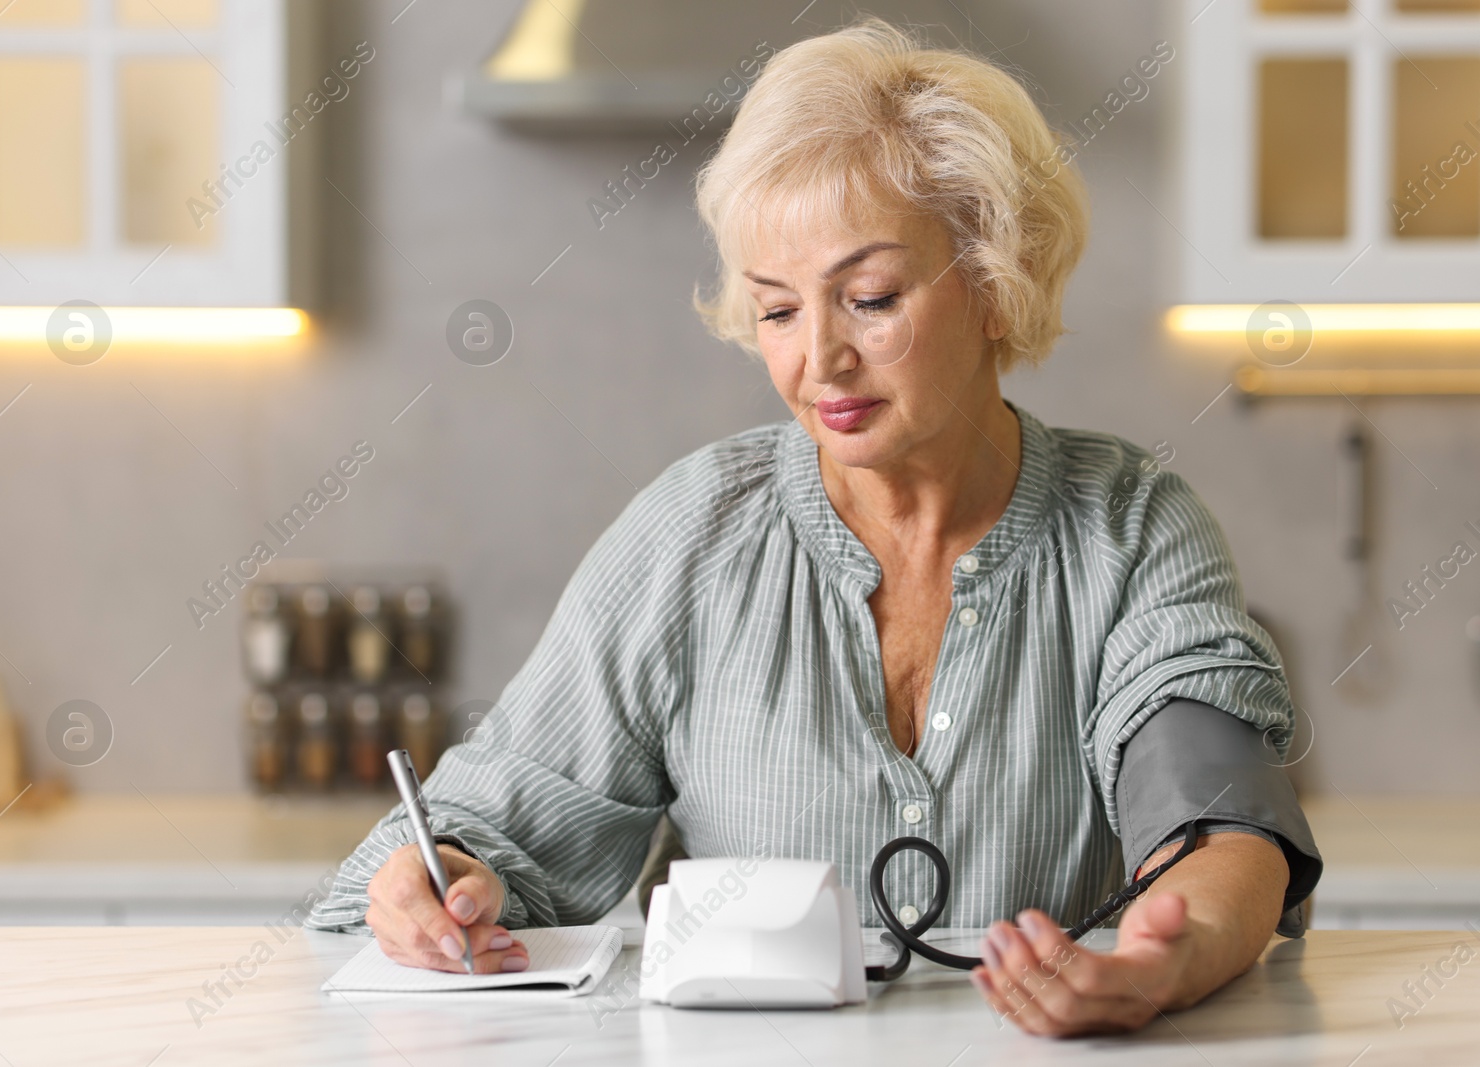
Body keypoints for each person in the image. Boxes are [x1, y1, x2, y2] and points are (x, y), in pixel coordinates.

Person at [309, 18, 1321, 1037]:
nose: (818, 360)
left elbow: (1219, 820)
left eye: (869, 297)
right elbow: (493, 832)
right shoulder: (689, 536)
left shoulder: (1132, 527)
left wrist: (1165, 959)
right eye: (778, 311)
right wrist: (440, 887)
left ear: (995, 281)